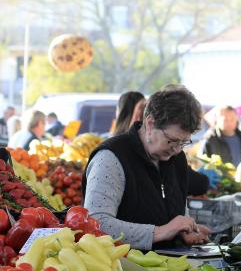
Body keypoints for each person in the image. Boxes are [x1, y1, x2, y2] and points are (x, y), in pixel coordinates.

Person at [83, 85, 211, 250]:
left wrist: (183, 231)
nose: (177, 149)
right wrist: (160, 232)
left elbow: (173, 209)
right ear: (150, 124)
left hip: (169, 263)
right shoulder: (111, 158)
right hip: (120, 264)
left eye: (184, 142)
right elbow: (96, 223)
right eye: (172, 140)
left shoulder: (177, 159)